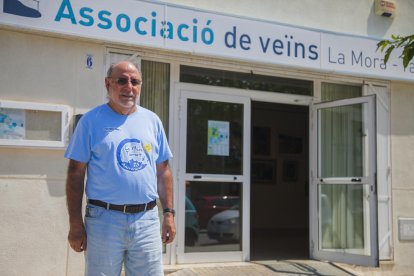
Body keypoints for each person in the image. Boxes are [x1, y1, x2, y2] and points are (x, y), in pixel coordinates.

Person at [64, 60, 176, 276]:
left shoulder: (152, 121)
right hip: (104, 221)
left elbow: (163, 171)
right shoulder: (91, 121)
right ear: (108, 84)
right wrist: (75, 223)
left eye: (135, 81)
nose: (129, 87)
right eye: (122, 81)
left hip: (147, 220)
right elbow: (75, 175)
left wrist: (169, 214)